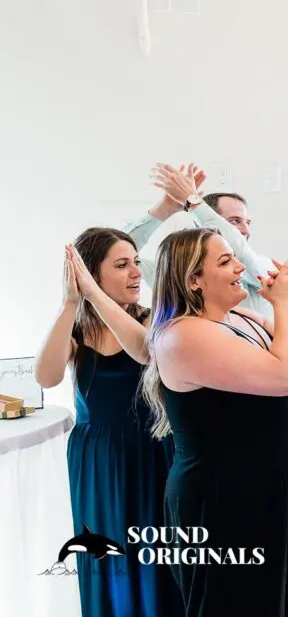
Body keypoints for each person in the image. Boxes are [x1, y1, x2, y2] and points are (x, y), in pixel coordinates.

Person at [142, 229, 288, 616]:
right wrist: (283, 305)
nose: (241, 266)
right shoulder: (182, 335)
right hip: (223, 497)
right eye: (225, 261)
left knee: (279, 600)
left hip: (271, 485)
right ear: (193, 279)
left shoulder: (240, 318)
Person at [34, 229, 182, 617]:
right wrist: (71, 301)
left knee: (156, 558)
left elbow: (147, 351)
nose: (136, 272)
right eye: (121, 265)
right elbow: (46, 377)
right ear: (91, 274)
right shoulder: (77, 330)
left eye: (135, 262)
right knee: (105, 558)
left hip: (151, 452)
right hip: (96, 458)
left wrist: (93, 296)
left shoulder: (153, 319)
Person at [126, 163, 277, 319]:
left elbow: (242, 252)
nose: (246, 230)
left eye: (247, 222)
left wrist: (192, 201)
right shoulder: (174, 271)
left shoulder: (260, 268)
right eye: (234, 221)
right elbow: (117, 252)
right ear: (201, 225)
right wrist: (165, 209)